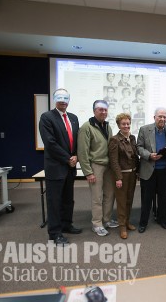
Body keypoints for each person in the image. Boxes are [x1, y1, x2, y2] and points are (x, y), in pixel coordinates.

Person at [39, 88, 81, 245]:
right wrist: (68, 158)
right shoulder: (47, 117)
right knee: (54, 201)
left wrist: (76, 155)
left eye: (66, 98)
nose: (63, 100)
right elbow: (50, 143)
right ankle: (55, 234)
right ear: (54, 99)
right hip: (56, 166)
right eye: (59, 97)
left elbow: (77, 140)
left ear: (69, 100)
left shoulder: (74, 118)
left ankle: (66, 224)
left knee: (68, 199)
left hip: (70, 167)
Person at [77, 100, 118, 237]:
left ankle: (106, 220)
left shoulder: (107, 126)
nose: (103, 112)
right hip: (95, 166)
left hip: (108, 166)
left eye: (105, 110)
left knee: (110, 194)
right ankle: (97, 224)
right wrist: (88, 172)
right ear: (94, 111)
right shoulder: (86, 127)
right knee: (97, 196)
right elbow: (82, 152)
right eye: (100, 110)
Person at [136, 107, 166, 233]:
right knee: (146, 198)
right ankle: (143, 222)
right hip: (149, 170)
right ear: (154, 117)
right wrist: (149, 155)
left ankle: (162, 219)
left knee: (163, 198)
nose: (162, 119)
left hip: (164, 170)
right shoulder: (144, 129)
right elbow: (139, 147)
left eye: (164, 117)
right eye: (160, 116)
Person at [108, 113, 140, 239]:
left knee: (129, 200)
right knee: (121, 201)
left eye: (128, 123)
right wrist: (118, 178)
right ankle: (122, 226)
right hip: (122, 176)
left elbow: (135, 156)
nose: (126, 126)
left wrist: (138, 171)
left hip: (132, 174)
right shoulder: (114, 140)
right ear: (118, 125)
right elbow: (114, 161)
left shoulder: (132, 137)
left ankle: (127, 222)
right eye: (123, 124)